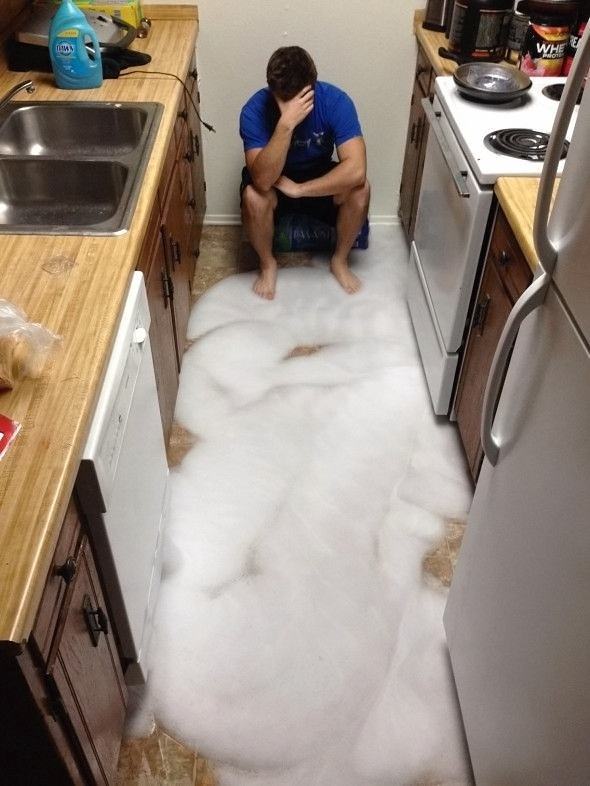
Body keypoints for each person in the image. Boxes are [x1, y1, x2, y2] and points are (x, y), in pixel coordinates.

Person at [239, 46, 370, 300]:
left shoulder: (335, 101)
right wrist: (286, 123)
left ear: (312, 86)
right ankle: (268, 265)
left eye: (297, 98)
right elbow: (263, 180)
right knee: (253, 196)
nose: (289, 104)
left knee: (360, 190)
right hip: (275, 179)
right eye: (282, 99)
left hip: (315, 176)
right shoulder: (254, 110)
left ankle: (339, 261)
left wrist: (300, 190)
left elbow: (356, 170)